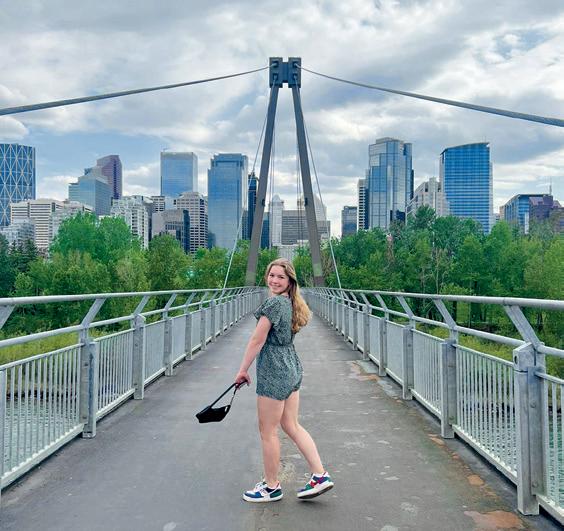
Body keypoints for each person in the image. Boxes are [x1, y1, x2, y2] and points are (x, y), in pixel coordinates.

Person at [234, 258, 334, 503]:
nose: (275, 280)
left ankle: (271, 487)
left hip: (275, 371)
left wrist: (242, 370)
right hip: (291, 367)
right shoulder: (291, 302)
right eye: (272, 275)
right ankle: (320, 475)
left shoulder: (274, 303)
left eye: (281, 277)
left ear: (290, 281)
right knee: (291, 425)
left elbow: (257, 340)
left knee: (267, 431)